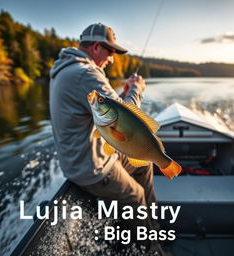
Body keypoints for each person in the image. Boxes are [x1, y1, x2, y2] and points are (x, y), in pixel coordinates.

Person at [49, 23, 172, 256]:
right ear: (96, 47)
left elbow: (113, 112)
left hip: (82, 158)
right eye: (111, 52)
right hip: (91, 167)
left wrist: (125, 95)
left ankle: (151, 227)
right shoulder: (86, 73)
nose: (113, 59)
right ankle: (148, 249)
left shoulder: (65, 69)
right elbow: (125, 119)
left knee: (144, 164)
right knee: (135, 195)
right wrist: (136, 90)